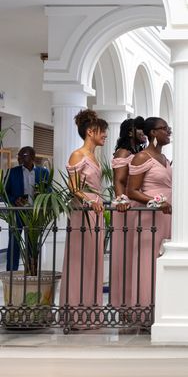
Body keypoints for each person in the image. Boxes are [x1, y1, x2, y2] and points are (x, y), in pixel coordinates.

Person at [61, 110, 108, 321]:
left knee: (94, 260)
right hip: (83, 213)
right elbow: (73, 188)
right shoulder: (78, 155)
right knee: (81, 260)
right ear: (90, 131)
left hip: (96, 212)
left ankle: (90, 311)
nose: (105, 135)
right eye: (102, 131)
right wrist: (90, 201)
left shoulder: (94, 157)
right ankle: (76, 313)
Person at [126, 117, 172, 310]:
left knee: (165, 260)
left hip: (167, 216)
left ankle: (164, 308)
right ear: (153, 133)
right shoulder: (142, 157)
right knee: (147, 261)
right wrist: (156, 202)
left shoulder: (164, 158)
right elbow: (132, 191)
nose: (169, 131)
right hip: (149, 217)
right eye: (165, 128)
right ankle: (145, 309)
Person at [109, 116, 146, 310]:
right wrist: (121, 201)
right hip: (126, 208)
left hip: (137, 207)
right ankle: (123, 305)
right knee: (125, 256)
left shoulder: (139, 152)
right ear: (131, 132)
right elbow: (119, 180)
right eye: (140, 129)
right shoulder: (123, 152)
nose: (143, 133)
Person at [3, 146, 49, 271]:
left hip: (34, 214)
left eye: (23, 156)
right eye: (19, 155)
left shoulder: (43, 172)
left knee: (31, 245)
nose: (19, 158)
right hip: (17, 213)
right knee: (14, 244)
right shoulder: (12, 172)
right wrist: (14, 200)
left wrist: (41, 197)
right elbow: (4, 193)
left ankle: (31, 272)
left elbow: (49, 192)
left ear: (32, 157)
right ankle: (11, 274)